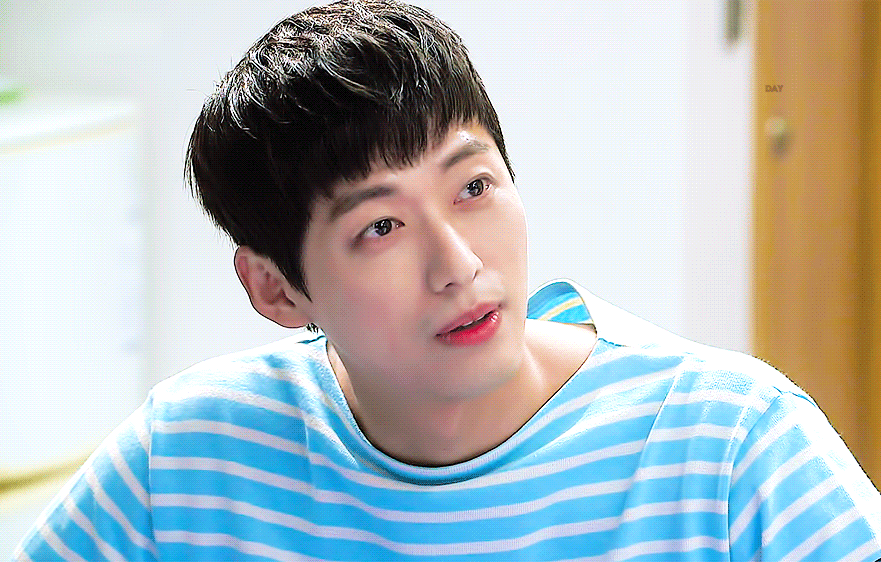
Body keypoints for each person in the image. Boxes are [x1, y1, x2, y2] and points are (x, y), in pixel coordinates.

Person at [12, 1, 881, 560]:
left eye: (473, 188)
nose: (459, 264)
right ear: (276, 290)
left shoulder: (730, 445)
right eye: (380, 227)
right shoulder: (187, 458)